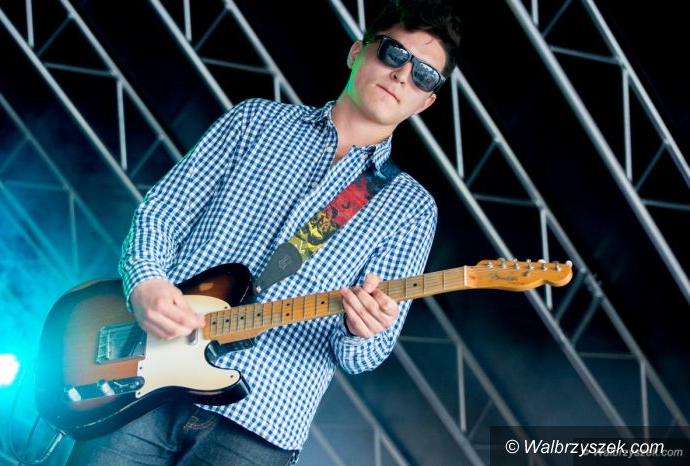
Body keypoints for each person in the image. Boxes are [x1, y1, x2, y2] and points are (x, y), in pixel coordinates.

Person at [67, 0, 461, 464]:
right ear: (357, 52)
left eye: (423, 76)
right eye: (394, 53)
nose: (402, 75)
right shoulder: (254, 121)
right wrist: (146, 283)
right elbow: (163, 212)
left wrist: (365, 330)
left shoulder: (411, 208)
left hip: (261, 422)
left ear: (427, 101)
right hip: (143, 370)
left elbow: (363, 357)